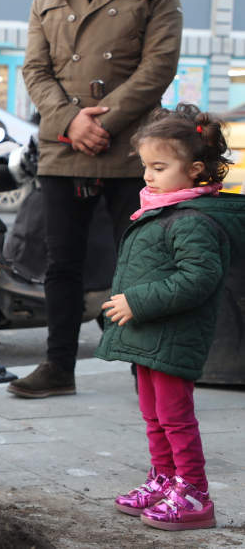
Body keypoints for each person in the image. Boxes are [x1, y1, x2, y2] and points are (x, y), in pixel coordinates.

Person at [12, 0, 183, 399]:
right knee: (61, 263)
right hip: (63, 146)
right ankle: (58, 365)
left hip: (132, 147)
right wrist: (70, 122)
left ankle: (145, 364)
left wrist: (101, 124)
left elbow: (159, 65)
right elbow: (35, 70)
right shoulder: (46, 0)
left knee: (141, 262)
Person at [97, 104, 245, 531]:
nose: (148, 175)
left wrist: (136, 303)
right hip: (150, 336)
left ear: (195, 169)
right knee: (153, 414)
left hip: (172, 336)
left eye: (159, 167)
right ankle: (165, 479)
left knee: (175, 417)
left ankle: (194, 493)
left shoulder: (192, 219)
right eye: (145, 165)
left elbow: (199, 278)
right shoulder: (162, 209)